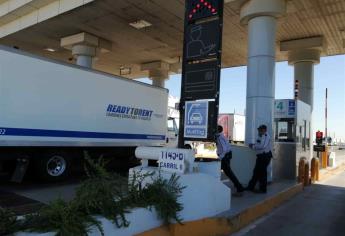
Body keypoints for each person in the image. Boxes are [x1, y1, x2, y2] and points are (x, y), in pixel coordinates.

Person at [215, 125, 244, 195]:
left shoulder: (219, 138)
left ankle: (239, 187)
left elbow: (224, 148)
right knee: (228, 172)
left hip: (225, 156)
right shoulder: (221, 136)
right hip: (227, 155)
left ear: (217, 131)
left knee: (227, 172)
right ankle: (238, 186)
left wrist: (220, 157)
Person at [246, 125, 273, 193]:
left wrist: (253, 146)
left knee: (262, 173)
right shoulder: (260, 136)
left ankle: (263, 189)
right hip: (261, 156)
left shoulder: (266, 136)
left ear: (264, 130)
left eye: (260, 130)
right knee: (256, 172)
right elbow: (258, 144)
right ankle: (251, 187)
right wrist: (254, 144)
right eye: (258, 130)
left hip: (265, 156)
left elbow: (262, 146)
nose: (259, 131)